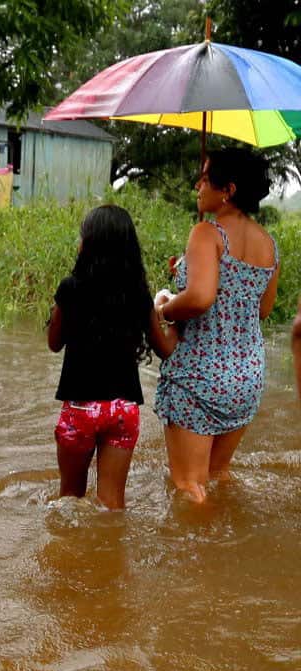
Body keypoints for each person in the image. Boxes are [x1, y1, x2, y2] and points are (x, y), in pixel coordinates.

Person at [154, 149, 279, 503]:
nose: (197, 185)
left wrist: (164, 308)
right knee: (217, 475)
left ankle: (199, 557)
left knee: (188, 485)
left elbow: (200, 298)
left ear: (229, 189)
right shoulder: (269, 245)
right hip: (247, 376)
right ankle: (228, 546)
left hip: (200, 377)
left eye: (205, 178)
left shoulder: (207, 233)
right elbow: (263, 310)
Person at [47, 205, 176, 510]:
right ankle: (113, 555)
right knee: (112, 503)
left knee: (69, 500)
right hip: (123, 410)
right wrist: (175, 316)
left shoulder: (71, 288)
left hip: (81, 408)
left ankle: (74, 555)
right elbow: (165, 350)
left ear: (88, 243)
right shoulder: (138, 294)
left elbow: (54, 343)